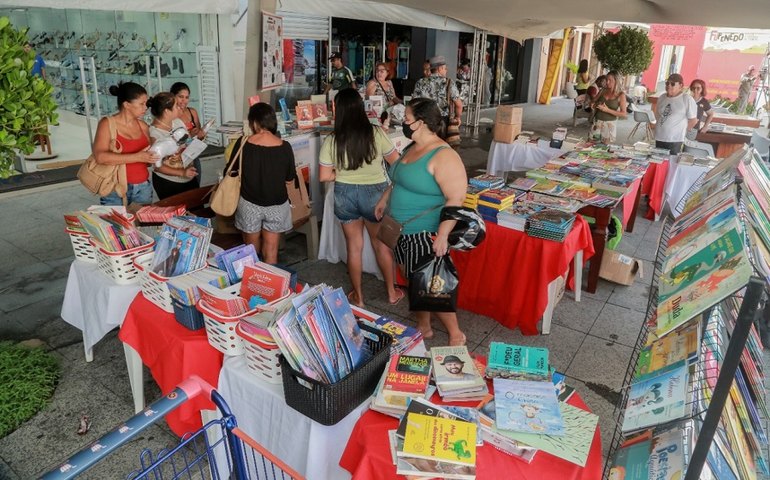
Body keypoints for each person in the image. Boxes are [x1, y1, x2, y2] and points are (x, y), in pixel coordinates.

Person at [375, 97, 468, 346]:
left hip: (424, 232)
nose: (403, 123)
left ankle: (456, 334)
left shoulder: (443, 155)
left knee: (432, 285)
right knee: (415, 281)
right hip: (400, 230)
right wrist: (385, 200)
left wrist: (444, 235)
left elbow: (456, 198)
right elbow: (397, 179)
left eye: (406, 119)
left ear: (422, 122)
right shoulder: (411, 146)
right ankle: (424, 326)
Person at [318, 88, 403, 307]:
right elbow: (397, 163)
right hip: (375, 194)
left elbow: (325, 176)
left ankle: (358, 297)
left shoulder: (332, 140)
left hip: (345, 193)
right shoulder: (375, 133)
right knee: (380, 244)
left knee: (353, 247)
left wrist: (344, 173)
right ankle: (392, 293)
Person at [226, 103, 296, 264]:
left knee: (250, 252)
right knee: (271, 252)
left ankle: (252, 283)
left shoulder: (243, 143)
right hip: (277, 204)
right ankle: (269, 285)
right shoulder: (285, 146)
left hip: (249, 203)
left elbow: (230, 172)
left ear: (254, 122)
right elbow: (289, 179)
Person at [93, 82, 158, 205]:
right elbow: (100, 157)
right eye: (141, 104)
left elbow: (148, 157)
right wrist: (137, 157)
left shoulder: (143, 126)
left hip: (143, 186)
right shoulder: (107, 124)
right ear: (127, 105)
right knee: (116, 224)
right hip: (114, 187)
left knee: (143, 223)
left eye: (146, 103)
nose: (146, 108)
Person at [147, 92, 198, 199]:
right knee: (176, 214)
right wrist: (182, 172)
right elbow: (157, 166)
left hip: (188, 176)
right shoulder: (154, 134)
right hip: (169, 182)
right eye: (176, 106)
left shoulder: (177, 122)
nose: (180, 107)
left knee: (195, 211)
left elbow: (187, 141)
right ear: (166, 111)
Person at [171, 82, 206, 185]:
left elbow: (199, 135)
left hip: (192, 154)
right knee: (178, 187)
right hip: (176, 158)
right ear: (173, 96)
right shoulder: (169, 115)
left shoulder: (192, 112)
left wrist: (201, 134)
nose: (184, 100)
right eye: (180, 97)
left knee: (195, 184)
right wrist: (190, 135)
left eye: (187, 97)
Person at [653, 73, 698, 154]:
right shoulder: (662, 97)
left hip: (674, 140)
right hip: (659, 137)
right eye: (667, 83)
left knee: (671, 163)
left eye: (673, 84)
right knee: (658, 162)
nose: (669, 85)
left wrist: (681, 131)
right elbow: (658, 115)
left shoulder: (686, 99)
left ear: (680, 86)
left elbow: (693, 120)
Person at [413, 55, 463, 128]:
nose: (446, 70)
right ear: (440, 68)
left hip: (425, 121)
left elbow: (414, 102)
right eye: (445, 68)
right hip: (443, 122)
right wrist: (457, 117)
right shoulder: (449, 83)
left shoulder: (420, 82)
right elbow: (459, 105)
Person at [592, 71, 628, 144]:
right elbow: (594, 101)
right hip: (597, 123)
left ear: (616, 81)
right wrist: (594, 104)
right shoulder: (602, 90)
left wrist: (607, 110)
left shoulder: (621, 95)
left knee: (604, 150)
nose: (607, 82)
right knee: (591, 145)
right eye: (606, 79)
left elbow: (624, 114)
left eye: (610, 80)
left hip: (609, 126)